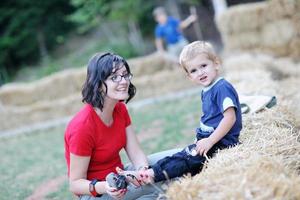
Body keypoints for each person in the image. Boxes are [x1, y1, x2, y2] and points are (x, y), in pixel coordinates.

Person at [117, 41, 242, 184]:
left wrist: (210, 140)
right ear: (189, 77)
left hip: (222, 142)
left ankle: (151, 174)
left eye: (203, 66)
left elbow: (230, 118)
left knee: (187, 159)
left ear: (216, 64)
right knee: (181, 155)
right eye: (193, 70)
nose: (200, 72)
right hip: (210, 138)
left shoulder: (221, 87)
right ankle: (147, 171)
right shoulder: (208, 89)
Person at [64, 52, 179, 200]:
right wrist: (106, 186)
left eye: (125, 75)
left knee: (179, 159)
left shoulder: (119, 109)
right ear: (98, 84)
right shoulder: (82, 127)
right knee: (171, 184)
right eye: (114, 78)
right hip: (98, 193)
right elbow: (75, 184)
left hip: (122, 175)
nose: (123, 81)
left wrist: (142, 171)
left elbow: (136, 153)